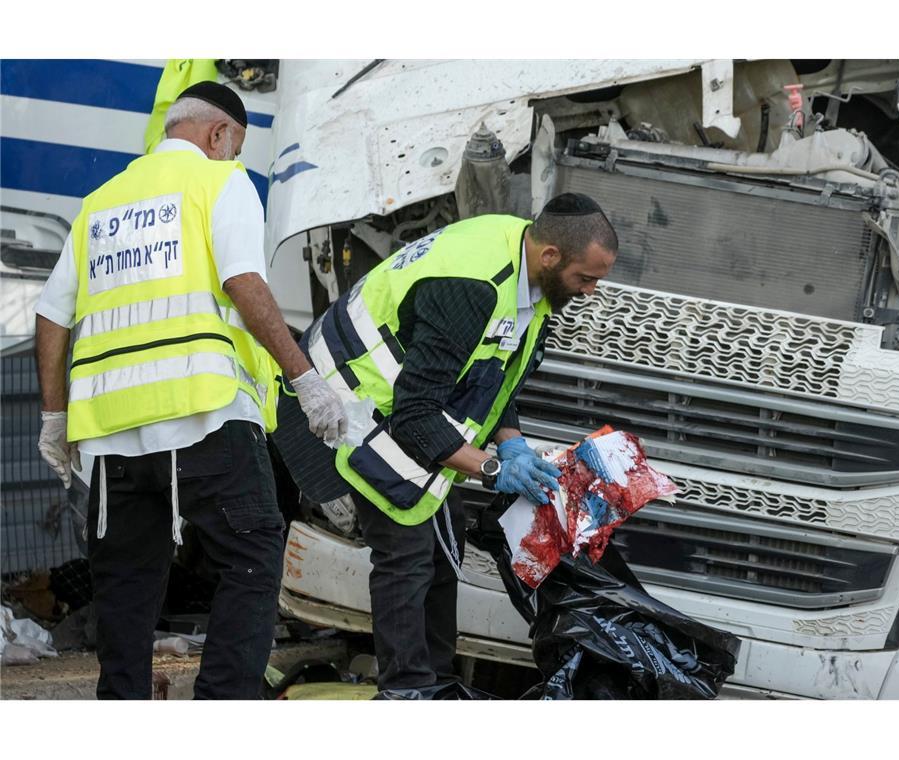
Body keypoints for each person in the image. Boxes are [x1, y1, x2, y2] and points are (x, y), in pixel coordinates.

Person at [34, 82, 347, 700]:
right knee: (253, 559)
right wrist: (303, 376)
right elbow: (242, 279)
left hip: (113, 434)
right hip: (204, 416)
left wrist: (53, 416)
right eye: (236, 147)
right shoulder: (219, 182)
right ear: (218, 135)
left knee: (123, 586)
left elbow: (51, 314)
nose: (234, 157)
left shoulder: (99, 202)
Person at [289, 192, 618, 697]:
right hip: (348, 402)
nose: (592, 292)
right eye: (586, 278)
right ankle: (406, 692)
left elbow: (493, 375)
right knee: (407, 552)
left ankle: (436, 685)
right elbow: (416, 416)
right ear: (551, 256)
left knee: (444, 548)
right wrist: (489, 469)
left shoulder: (528, 274)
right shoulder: (474, 286)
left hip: (400, 402)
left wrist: (513, 444)